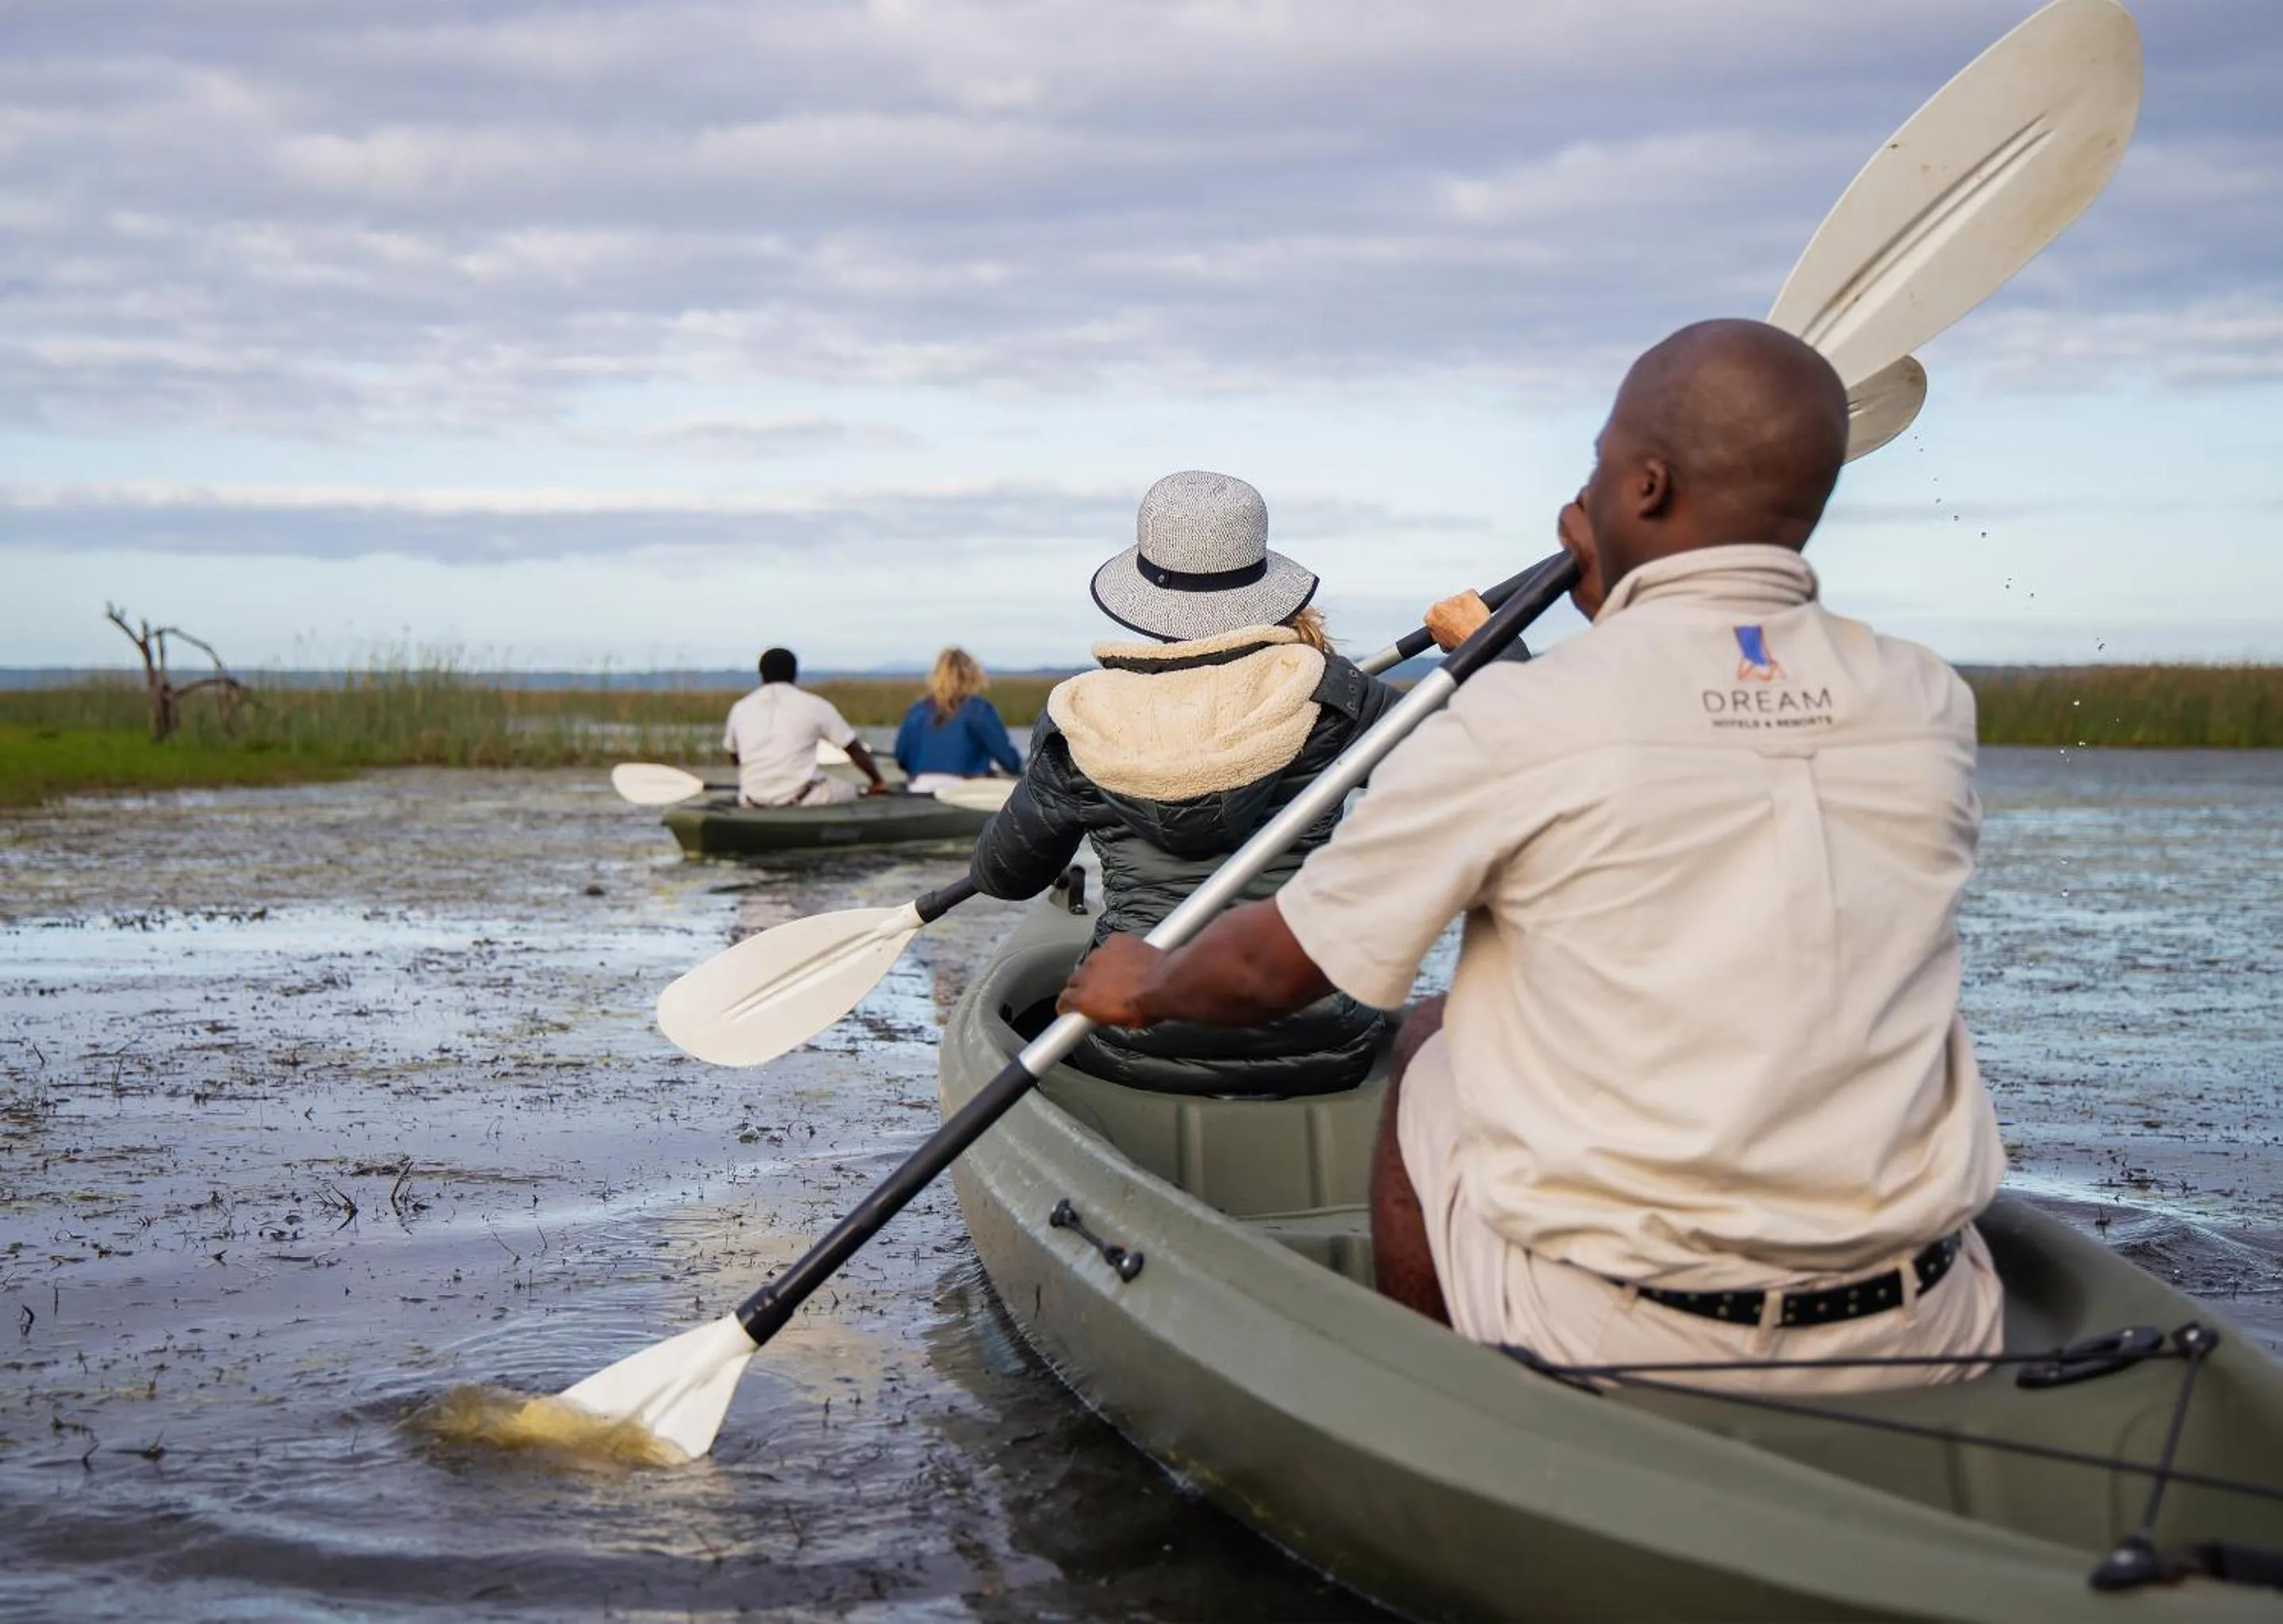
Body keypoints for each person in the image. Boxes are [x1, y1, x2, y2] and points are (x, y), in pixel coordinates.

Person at [1058, 320, 2007, 1394]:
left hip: (1624, 1335)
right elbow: (1712, 734)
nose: (1579, 491)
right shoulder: (1924, 700)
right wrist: (1608, 612)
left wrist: (1146, 981)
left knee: (1430, 1044)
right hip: (1931, 1318)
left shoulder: (1519, 720)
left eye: (1597, 462)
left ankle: (1436, 1394)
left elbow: (1275, 970)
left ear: (1644, 487)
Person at [968, 469, 1404, 1097]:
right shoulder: (1333, 696)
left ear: (1144, 590)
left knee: (1043, 1018)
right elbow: (1491, 758)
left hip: (1133, 1042)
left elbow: (1002, 878)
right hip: (1320, 1038)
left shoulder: (1081, 718)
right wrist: (1492, 648)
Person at [722, 647, 888, 806]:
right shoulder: (815, 705)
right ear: (795, 673)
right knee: (850, 790)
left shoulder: (740, 708)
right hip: (804, 798)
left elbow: (735, 757)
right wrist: (877, 781)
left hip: (752, 798)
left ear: (761, 675)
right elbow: (854, 749)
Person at [894, 647, 1024, 794]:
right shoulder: (979, 709)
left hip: (919, 786)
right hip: (963, 789)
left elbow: (901, 757)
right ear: (972, 675)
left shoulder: (917, 710)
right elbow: (1009, 760)